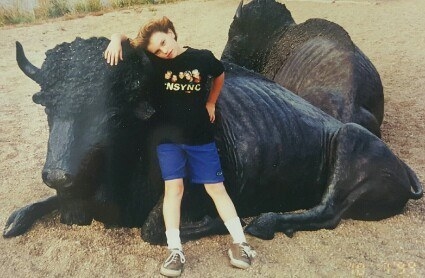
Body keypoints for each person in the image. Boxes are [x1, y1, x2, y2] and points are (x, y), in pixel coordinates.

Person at [104, 16, 256, 277]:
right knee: (173, 190)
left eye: (164, 42)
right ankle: (175, 250)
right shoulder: (153, 60)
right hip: (168, 142)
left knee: (216, 189)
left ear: (171, 32)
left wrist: (211, 102)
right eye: (158, 50)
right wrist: (115, 38)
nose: (164, 50)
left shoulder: (202, 57)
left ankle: (240, 243)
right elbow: (130, 41)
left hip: (201, 139)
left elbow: (219, 75)